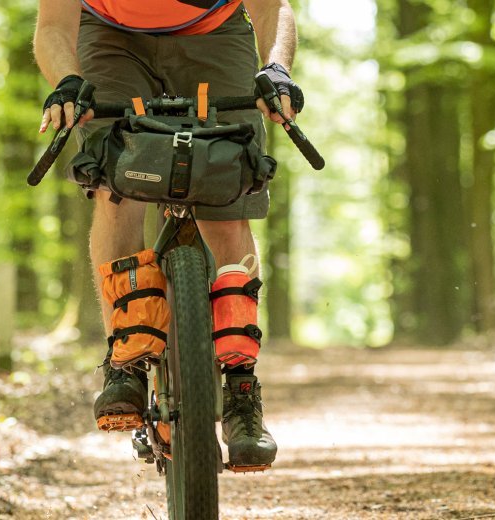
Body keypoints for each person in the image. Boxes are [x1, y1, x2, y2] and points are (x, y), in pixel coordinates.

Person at [33, 0, 304, 471]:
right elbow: (54, 26)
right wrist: (67, 82)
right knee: (119, 190)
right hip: (109, 38)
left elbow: (271, 7)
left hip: (216, 33)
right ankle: (128, 359)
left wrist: (275, 67)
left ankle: (241, 390)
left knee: (225, 204)